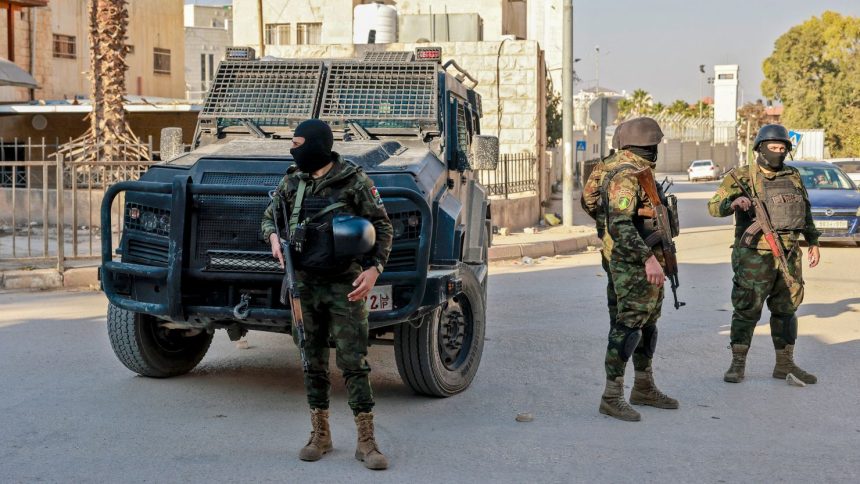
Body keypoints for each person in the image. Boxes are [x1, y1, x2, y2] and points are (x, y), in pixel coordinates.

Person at [261, 119, 394, 469]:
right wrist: (273, 238)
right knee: (311, 358)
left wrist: (374, 268)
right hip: (303, 283)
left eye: (299, 142)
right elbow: (268, 219)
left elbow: (382, 225)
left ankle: (366, 441)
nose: (294, 149)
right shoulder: (292, 181)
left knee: (353, 361)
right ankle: (320, 434)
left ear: (318, 145)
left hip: (344, 283)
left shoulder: (353, 180)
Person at [707, 124, 820, 385]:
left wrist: (812, 241)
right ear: (760, 148)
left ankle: (785, 364)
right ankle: (737, 364)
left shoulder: (792, 175)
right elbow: (713, 206)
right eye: (773, 148)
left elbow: (805, 209)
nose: (778, 152)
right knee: (747, 310)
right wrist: (732, 203)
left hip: (789, 254)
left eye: (782, 149)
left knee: (787, 310)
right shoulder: (742, 176)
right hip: (754, 257)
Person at [596, 117, 679, 422]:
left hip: (644, 260)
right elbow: (619, 224)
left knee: (647, 324)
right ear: (646, 146)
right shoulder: (626, 175)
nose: (656, 149)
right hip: (632, 263)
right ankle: (612, 396)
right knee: (628, 327)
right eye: (653, 145)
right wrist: (648, 258)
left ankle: (643, 386)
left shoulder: (633, 170)